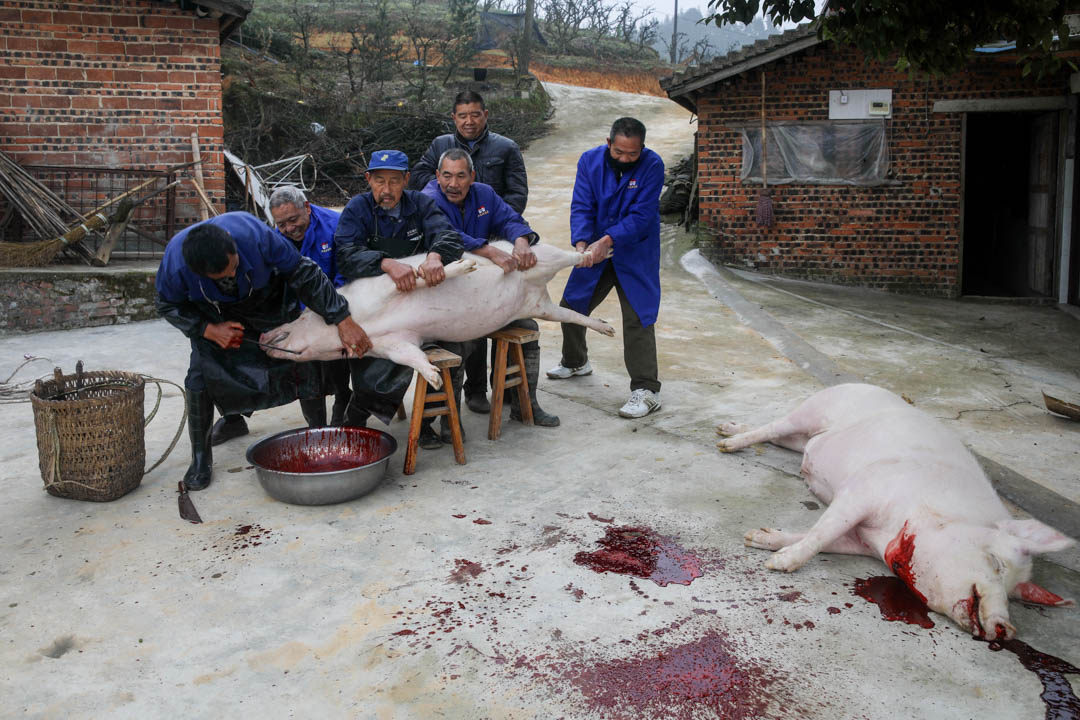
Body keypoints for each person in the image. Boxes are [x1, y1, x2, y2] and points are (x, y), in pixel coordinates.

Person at [156, 212, 371, 491]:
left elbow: (303, 273)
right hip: (212, 315)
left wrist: (342, 318)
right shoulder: (175, 263)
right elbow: (167, 305)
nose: (231, 274)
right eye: (222, 276)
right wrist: (208, 329)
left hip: (267, 298)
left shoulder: (253, 233)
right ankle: (201, 458)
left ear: (232, 243)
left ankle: (318, 433)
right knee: (200, 376)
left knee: (303, 358)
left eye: (233, 266)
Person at [334, 149, 464, 447]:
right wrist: (385, 263)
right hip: (374, 309)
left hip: (420, 305)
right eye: (379, 181)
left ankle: (427, 420)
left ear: (407, 179)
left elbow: (448, 235)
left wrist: (435, 256)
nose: (387, 189)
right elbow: (345, 256)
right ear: (368, 179)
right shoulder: (358, 209)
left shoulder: (421, 204)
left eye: (395, 181)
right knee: (374, 358)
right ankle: (356, 418)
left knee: (453, 347)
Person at [422, 148, 559, 428]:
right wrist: (487, 250)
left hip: (486, 294)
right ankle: (451, 419)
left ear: (472, 176)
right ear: (437, 176)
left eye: (461, 176)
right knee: (460, 341)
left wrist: (521, 239)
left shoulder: (484, 194)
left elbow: (510, 219)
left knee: (528, 327)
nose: (453, 183)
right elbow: (444, 233)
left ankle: (524, 404)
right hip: (448, 299)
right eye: (446, 176)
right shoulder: (428, 198)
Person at [410, 91, 529, 413]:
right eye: (462, 115)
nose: (469, 121)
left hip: (490, 238)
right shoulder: (438, 157)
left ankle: (520, 401)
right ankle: (470, 397)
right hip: (456, 260)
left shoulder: (504, 150)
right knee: (470, 329)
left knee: (524, 320)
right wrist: (481, 243)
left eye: (475, 114)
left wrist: (510, 234)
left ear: (485, 114)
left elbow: (515, 200)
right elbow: (436, 219)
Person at [547, 117, 664, 419]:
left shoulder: (653, 166)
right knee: (571, 305)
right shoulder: (590, 161)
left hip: (635, 252)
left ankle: (646, 390)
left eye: (632, 154)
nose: (625, 159)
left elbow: (642, 215)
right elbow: (582, 204)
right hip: (595, 252)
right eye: (619, 152)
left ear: (642, 148)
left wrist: (609, 239)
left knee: (638, 317)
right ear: (609, 143)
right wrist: (582, 243)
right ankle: (575, 362)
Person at [268, 185, 364, 429]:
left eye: (293, 219)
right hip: (303, 311)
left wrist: (332, 310)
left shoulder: (336, 224)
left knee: (339, 337)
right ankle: (317, 427)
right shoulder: (275, 240)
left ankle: (344, 396)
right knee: (301, 354)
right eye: (281, 225)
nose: (289, 229)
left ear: (307, 208)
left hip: (343, 302)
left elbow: (348, 271)